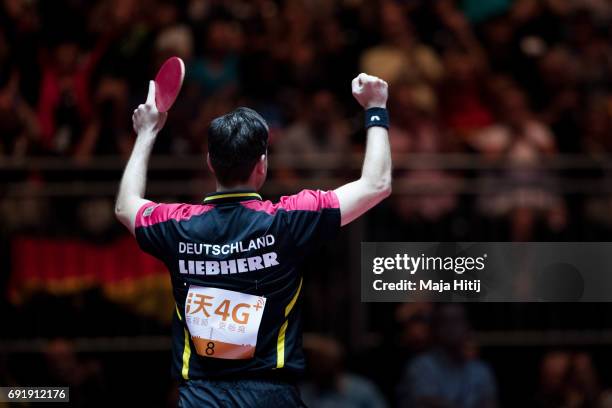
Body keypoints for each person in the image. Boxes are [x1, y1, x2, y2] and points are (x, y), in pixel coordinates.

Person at [114, 73, 391, 407]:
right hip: (270, 395)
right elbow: (376, 185)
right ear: (262, 165)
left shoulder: (177, 226)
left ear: (210, 164)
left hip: (201, 397)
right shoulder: (289, 220)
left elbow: (125, 205)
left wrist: (146, 132)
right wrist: (376, 108)